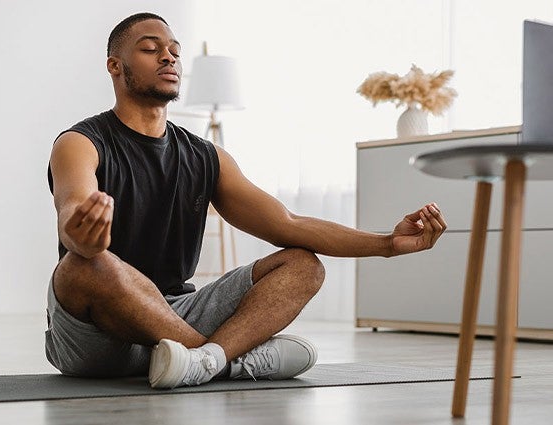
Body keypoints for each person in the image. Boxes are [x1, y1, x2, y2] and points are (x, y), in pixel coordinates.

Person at [44, 12, 448, 390]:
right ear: (115, 65)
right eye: (151, 49)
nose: (168, 57)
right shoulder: (80, 143)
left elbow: (288, 224)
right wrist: (85, 238)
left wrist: (388, 244)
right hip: (96, 337)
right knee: (82, 266)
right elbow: (73, 212)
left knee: (303, 264)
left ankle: (197, 360)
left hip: (176, 312)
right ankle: (223, 360)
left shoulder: (206, 155)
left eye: (175, 51)